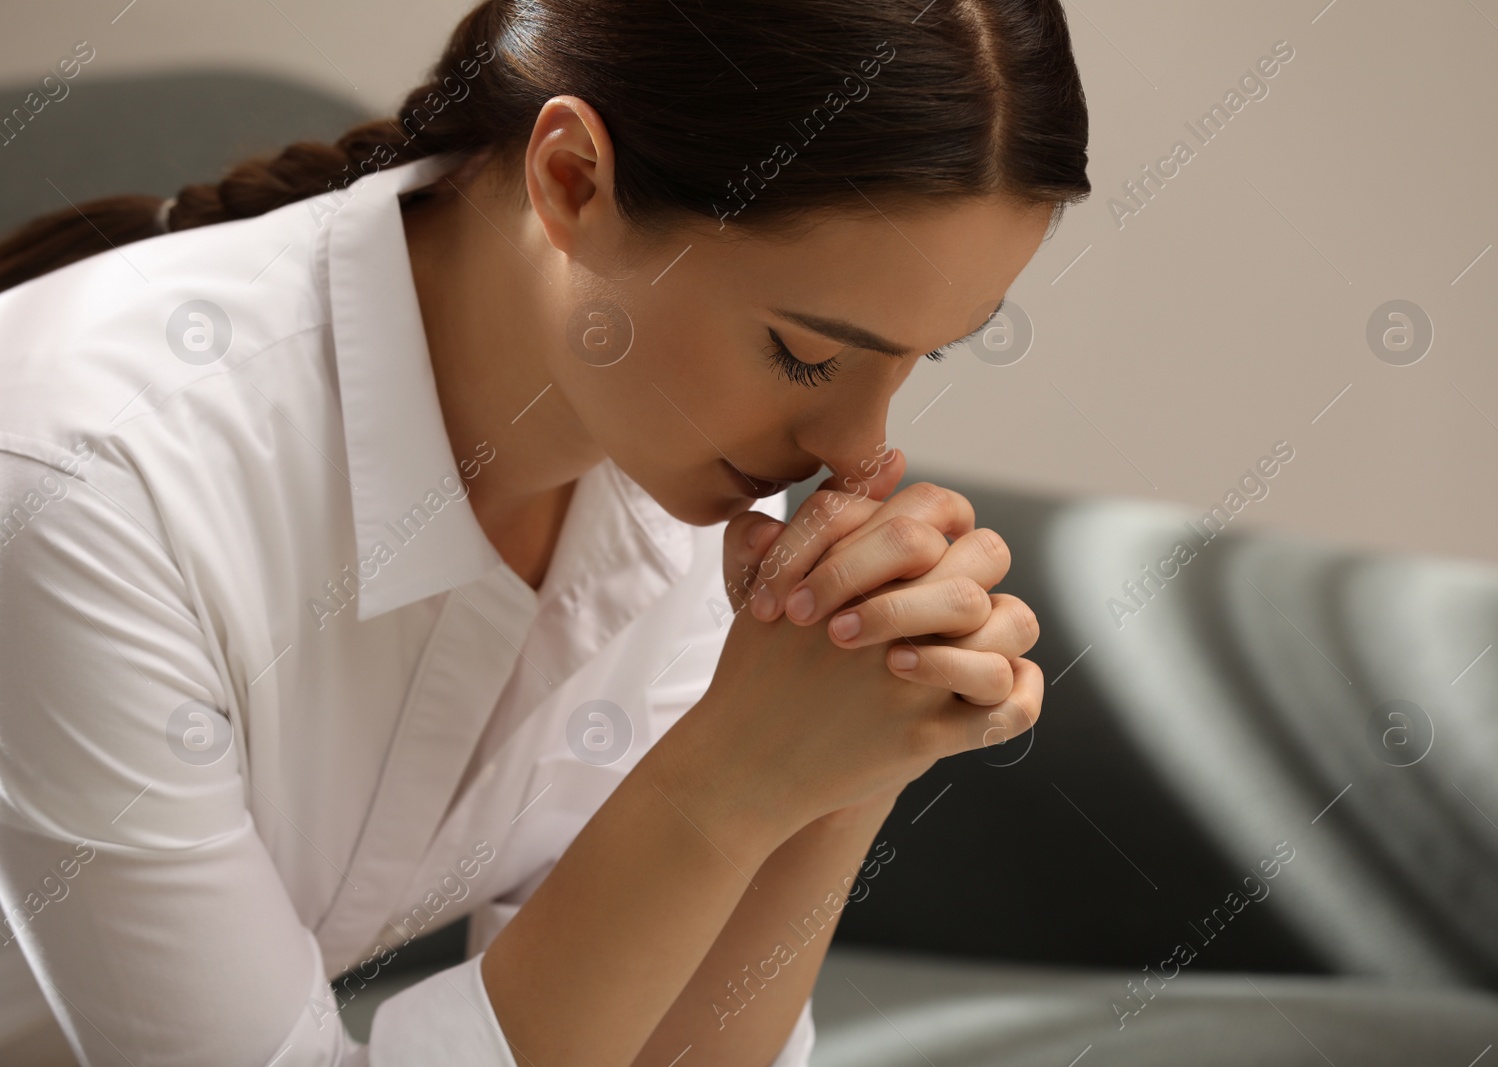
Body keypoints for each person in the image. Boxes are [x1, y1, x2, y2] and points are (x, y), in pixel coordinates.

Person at [0, 0, 1088, 1062]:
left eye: (922, 356)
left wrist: (854, 751)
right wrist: (720, 783)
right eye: (806, 352)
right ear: (572, 179)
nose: (856, 453)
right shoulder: (80, 486)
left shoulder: (675, 471)